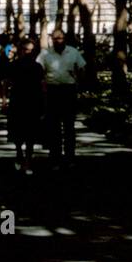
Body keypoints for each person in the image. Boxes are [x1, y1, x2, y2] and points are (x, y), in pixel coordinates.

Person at [38, 29, 86, 168]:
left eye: (60, 38)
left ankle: (70, 158)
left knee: (69, 126)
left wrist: (80, 83)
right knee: (54, 127)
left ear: (64, 38)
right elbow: (38, 70)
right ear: (51, 39)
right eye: (54, 38)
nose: (57, 40)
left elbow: (82, 67)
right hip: (52, 91)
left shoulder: (73, 52)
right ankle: (55, 158)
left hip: (68, 91)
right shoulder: (45, 53)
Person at [5, 35, 46, 175]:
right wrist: (4, 99)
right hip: (17, 101)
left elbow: (42, 85)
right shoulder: (13, 65)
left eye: (31, 50)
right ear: (20, 50)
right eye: (25, 49)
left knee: (31, 134)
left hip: (33, 102)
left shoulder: (38, 67)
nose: (27, 52)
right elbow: (7, 83)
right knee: (17, 132)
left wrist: (43, 103)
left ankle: (28, 162)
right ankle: (19, 154)